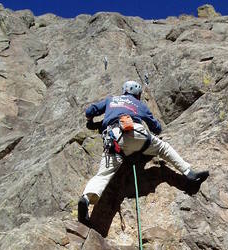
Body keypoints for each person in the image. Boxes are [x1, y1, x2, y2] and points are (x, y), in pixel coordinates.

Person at [78, 80, 209, 223]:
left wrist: (91, 120)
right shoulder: (139, 105)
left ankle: (85, 198)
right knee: (162, 148)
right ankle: (189, 173)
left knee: (103, 174)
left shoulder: (111, 100)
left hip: (114, 139)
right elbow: (157, 128)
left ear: (124, 91)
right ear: (138, 94)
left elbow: (90, 112)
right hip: (135, 133)